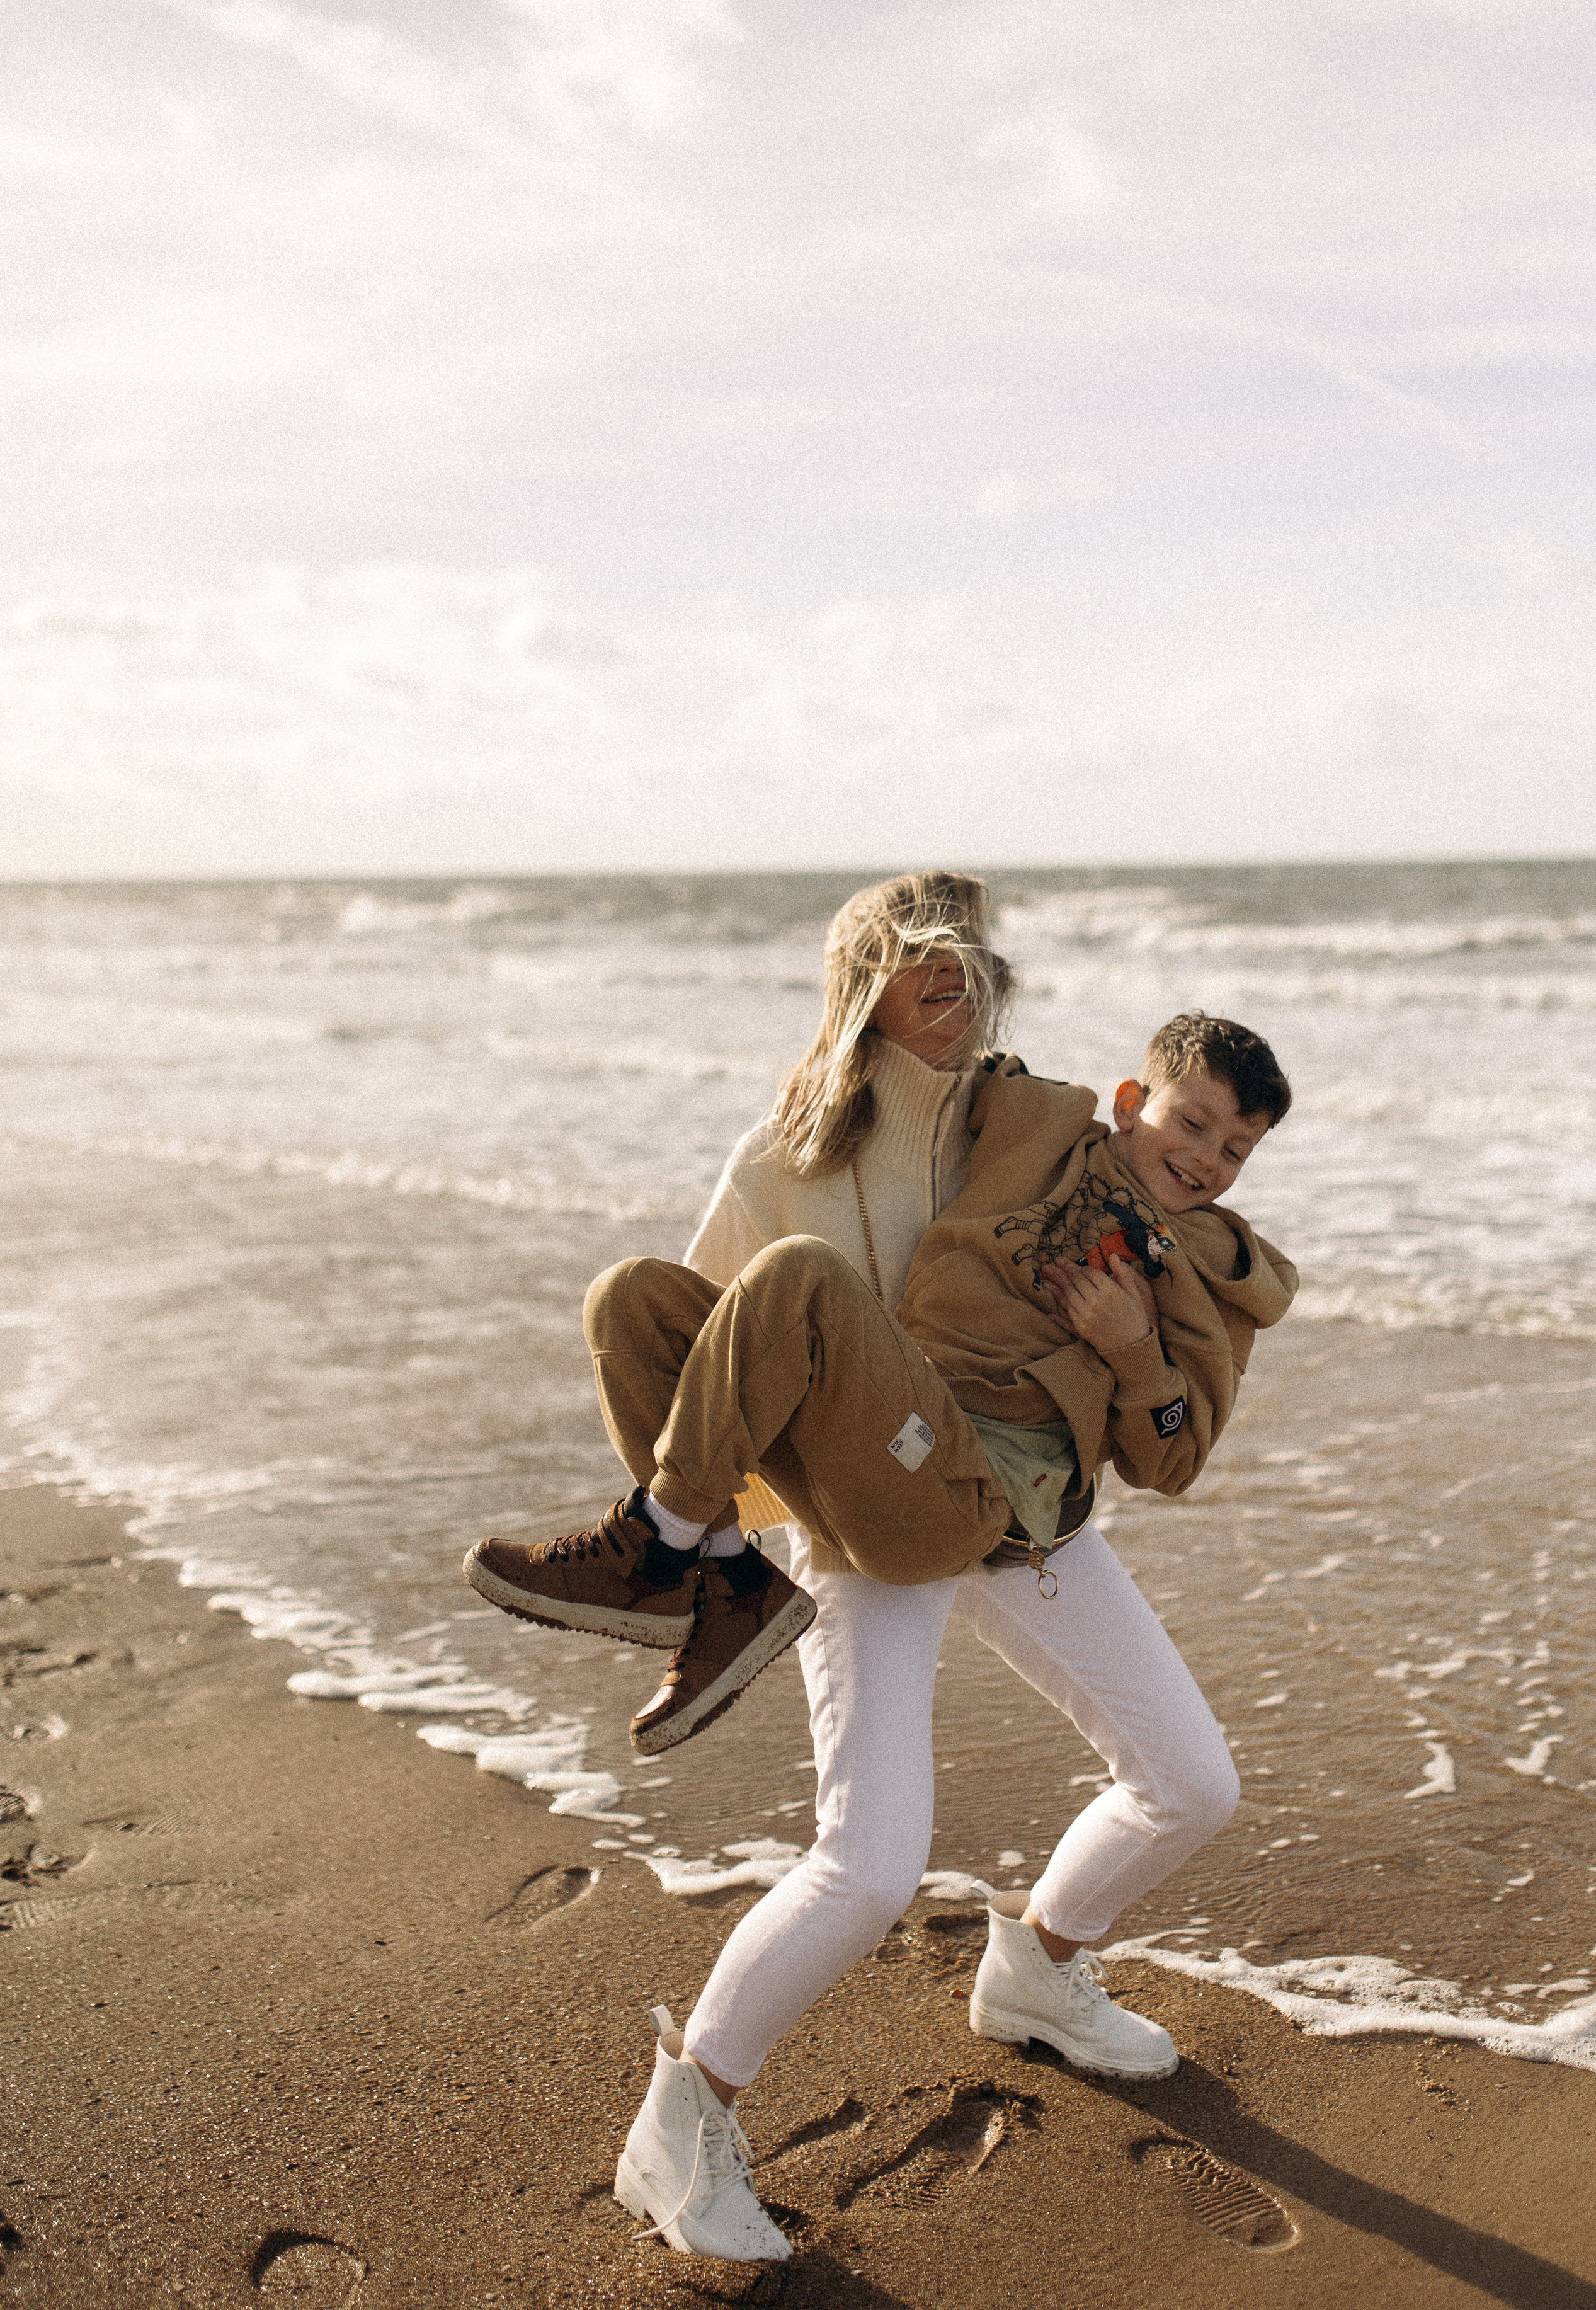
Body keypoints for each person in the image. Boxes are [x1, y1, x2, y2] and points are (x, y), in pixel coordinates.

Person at [464, 878, 1294, 2262]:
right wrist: (759, 1512)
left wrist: (1133, 1338)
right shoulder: (873, 1140)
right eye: (922, 963)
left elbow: (1172, 1432)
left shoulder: (1104, 1190)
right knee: (867, 1865)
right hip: (871, 1511)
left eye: (965, 964)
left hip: (1022, 1517)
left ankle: (1035, 1969)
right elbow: (718, 1349)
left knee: (1190, 1783)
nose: (1201, 1157)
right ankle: (681, 2122)